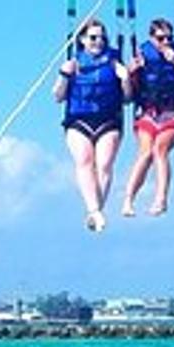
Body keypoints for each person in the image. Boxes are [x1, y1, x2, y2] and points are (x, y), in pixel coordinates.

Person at [53, 18, 132, 232]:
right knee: (85, 161)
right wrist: (63, 75)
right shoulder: (74, 63)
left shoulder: (115, 63)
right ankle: (94, 211)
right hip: (78, 119)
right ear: (82, 39)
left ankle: (94, 211)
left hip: (109, 119)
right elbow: (58, 97)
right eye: (93, 37)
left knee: (104, 164)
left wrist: (125, 80)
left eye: (101, 38)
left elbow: (127, 99)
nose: (98, 41)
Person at [120, 18, 174, 218]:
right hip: (147, 112)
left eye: (168, 37)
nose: (165, 41)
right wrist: (129, 73)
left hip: (172, 113)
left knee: (159, 150)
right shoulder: (141, 54)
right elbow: (127, 97)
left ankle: (161, 199)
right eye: (160, 38)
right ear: (151, 37)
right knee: (145, 153)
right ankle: (128, 200)